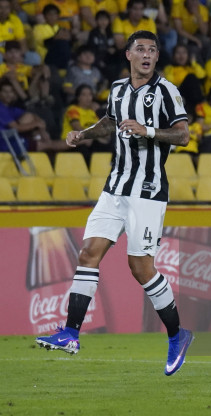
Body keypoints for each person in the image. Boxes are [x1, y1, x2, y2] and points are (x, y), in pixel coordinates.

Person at [35, 31, 194, 376]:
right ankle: (71, 333)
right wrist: (83, 135)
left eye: (153, 49)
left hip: (147, 191)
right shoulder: (119, 88)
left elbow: (183, 135)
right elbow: (110, 122)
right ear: (128, 55)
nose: (148, 54)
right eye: (141, 49)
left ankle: (178, 335)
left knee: (140, 268)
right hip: (115, 188)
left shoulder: (166, 91)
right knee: (88, 253)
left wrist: (148, 130)